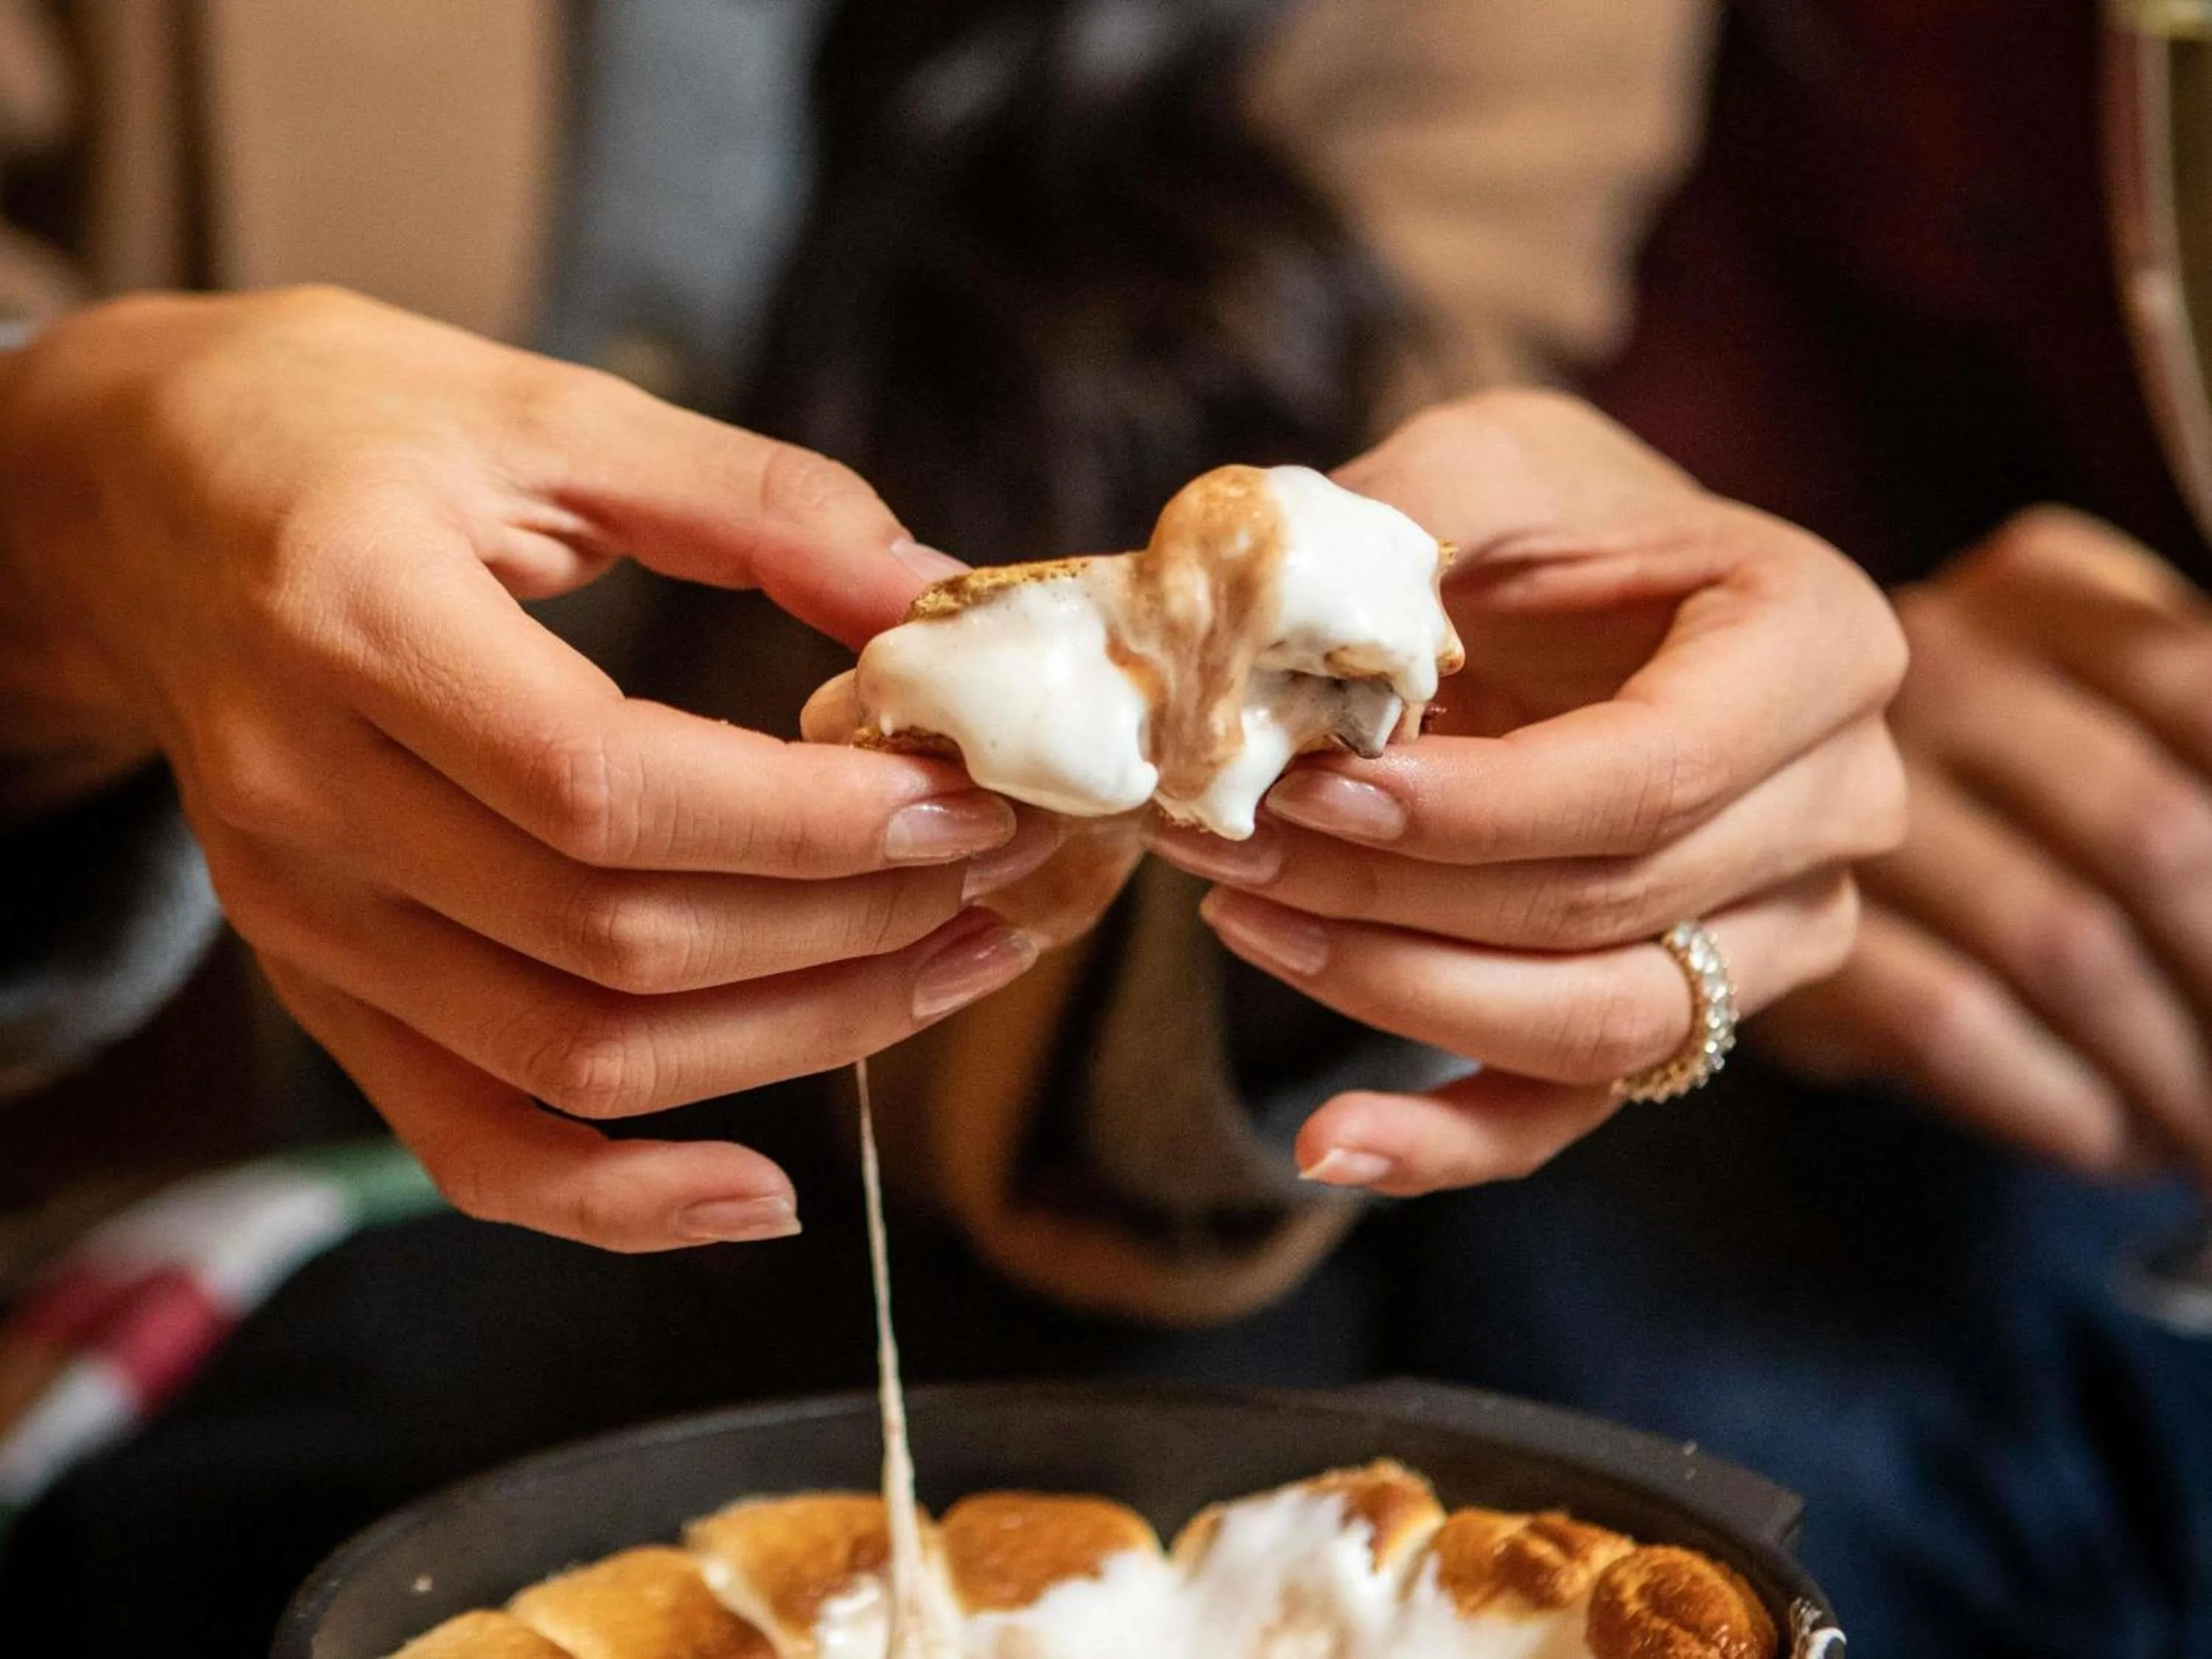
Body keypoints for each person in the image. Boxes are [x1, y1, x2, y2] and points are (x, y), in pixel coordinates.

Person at [0, 0, 2191, 1653]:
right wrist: (63, 516)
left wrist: (1503, 823)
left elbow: (1280, 643)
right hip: (208, 1186)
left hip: (1034, 1192)